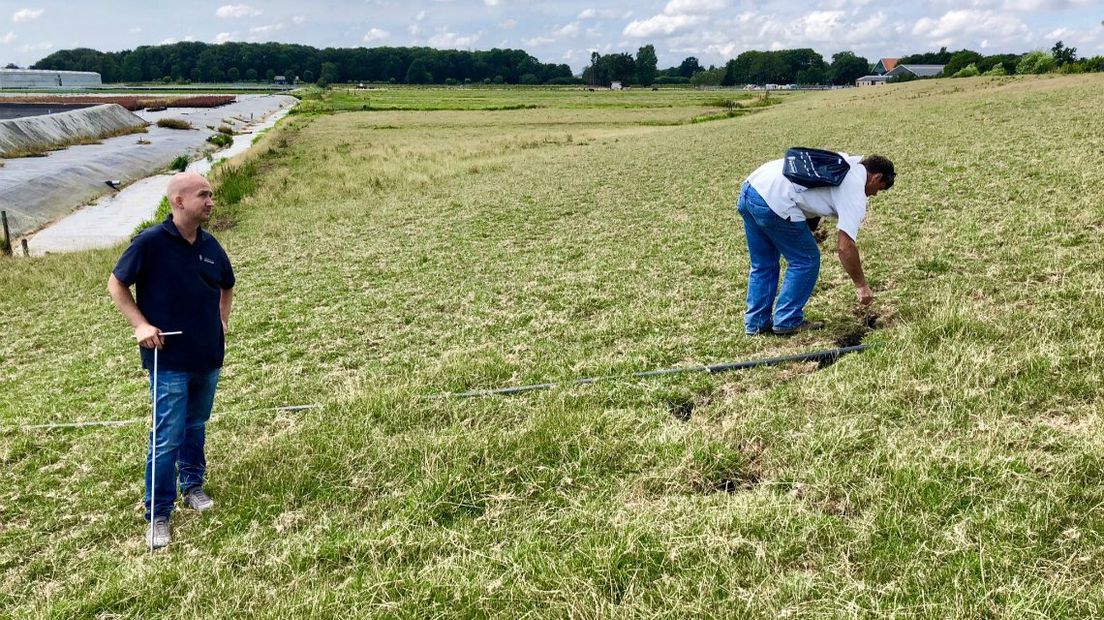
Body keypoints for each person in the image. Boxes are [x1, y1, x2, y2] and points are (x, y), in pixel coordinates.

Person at [107, 172, 235, 549]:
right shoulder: (149, 242)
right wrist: (141, 325)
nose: (211, 201)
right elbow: (117, 284)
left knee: (196, 425)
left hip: (207, 356)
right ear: (178, 202)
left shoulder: (211, 245)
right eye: (203, 195)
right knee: (166, 438)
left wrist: (222, 320)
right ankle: (158, 512)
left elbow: (227, 284)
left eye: (211, 195)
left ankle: (192, 485)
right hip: (169, 359)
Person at [736, 152, 894, 335]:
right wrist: (861, 285)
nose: (874, 194)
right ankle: (787, 320)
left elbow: (813, 192)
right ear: (876, 177)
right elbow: (845, 247)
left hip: (752, 187)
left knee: (763, 264)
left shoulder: (844, 162)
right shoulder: (855, 190)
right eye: (879, 189)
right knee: (806, 260)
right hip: (774, 201)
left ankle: (756, 324)